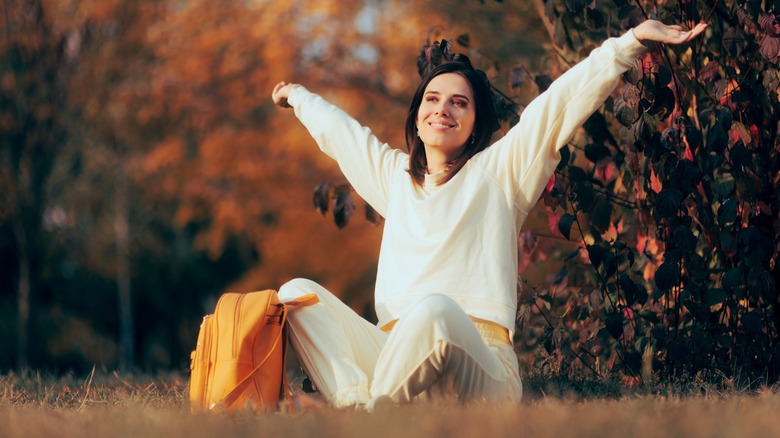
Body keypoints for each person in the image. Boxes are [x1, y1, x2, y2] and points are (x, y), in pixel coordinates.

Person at [271, 19, 707, 409]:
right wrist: (299, 97)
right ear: (418, 117)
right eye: (433, 99)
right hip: (391, 355)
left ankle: (371, 415)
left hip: (479, 368)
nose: (442, 108)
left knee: (434, 311)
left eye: (459, 102)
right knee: (295, 293)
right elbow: (344, 135)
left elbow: (558, 105)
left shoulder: (499, 173)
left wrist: (629, 43)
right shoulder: (394, 178)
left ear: (476, 123)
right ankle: (355, 408)